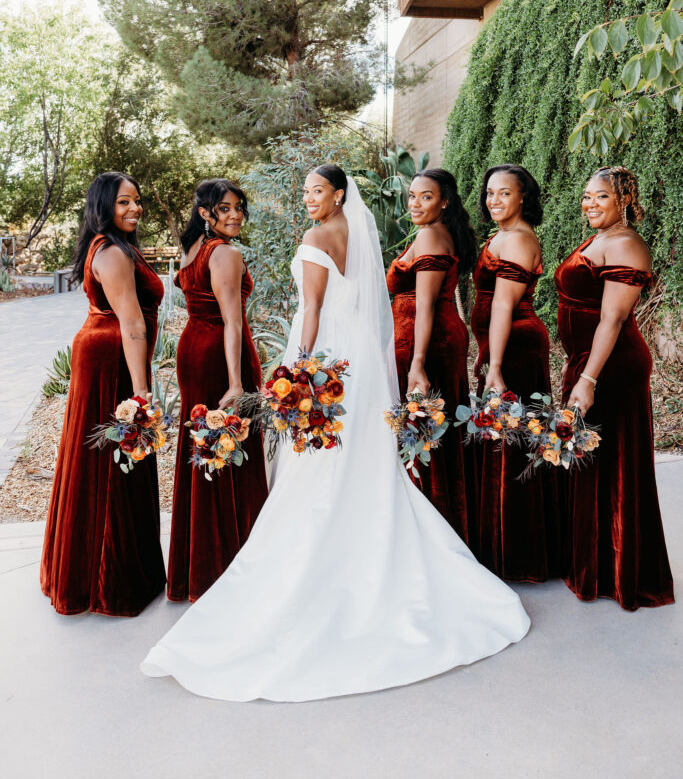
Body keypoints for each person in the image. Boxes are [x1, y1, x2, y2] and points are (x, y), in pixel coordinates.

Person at [140, 165, 529, 702]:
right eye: (305, 191)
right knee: (362, 459)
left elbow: (313, 309)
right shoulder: (356, 233)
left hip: (327, 359)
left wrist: (298, 371)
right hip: (361, 359)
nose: (308, 199)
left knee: (320, 462)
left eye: (317, 190)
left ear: (339, 194)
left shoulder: (317, 236)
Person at [40, 172, 166, 616]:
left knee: (104, 462)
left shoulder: (115, 245)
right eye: (123, 202)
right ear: (104, 206)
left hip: (106, 352)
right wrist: (141, 394)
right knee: (112, 463)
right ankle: (106, 582)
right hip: (112, 359)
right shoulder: (111, 252)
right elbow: (131, 324)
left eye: (137, 200)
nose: (135, 208)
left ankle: (88, 570)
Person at [555, 166, 674, 610]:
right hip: (588, 361)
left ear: (624, 199)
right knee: (592, 464)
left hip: (612, 367)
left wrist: (588, 379)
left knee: (615, 466)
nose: (589, 203)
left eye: (601, 196)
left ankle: (621, 573)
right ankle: (594, 564)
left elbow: (613, 317)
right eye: (587, 195)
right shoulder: (602, 237)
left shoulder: (625, 243)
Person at [166, 179, 268, 602]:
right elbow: (232, 321)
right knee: (226, 446)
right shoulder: (224, 253)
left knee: (206, 448)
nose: (235, 215)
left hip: (193, 347)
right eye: (225, 208)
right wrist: (236, 382)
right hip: (219, 357)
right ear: (205, 213)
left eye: (239, 207)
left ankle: (198, 564)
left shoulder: (193, 249)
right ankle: (228, 562)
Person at [471, 165, 563, 582]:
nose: (494, 200)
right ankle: (503, 545)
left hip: (516, 350)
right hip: (501, 346)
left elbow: (504, 304)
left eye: (504, 193)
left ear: (523, 196)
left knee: (515, 444)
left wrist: (496, 365)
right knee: (504, 441)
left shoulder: (520, 238)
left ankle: (521, 554)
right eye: (490, 193)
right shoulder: (502, 234)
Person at [387, 168, 479, 547]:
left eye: (426, 197)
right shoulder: (436, 231)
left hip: (428, 342)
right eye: (412, 196)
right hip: (434, 337)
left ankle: (431, 536)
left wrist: (418, 365)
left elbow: (424, 305)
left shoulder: (430, 236)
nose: (415, 203)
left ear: (444, 202)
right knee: (432, 432)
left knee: (426, 431)